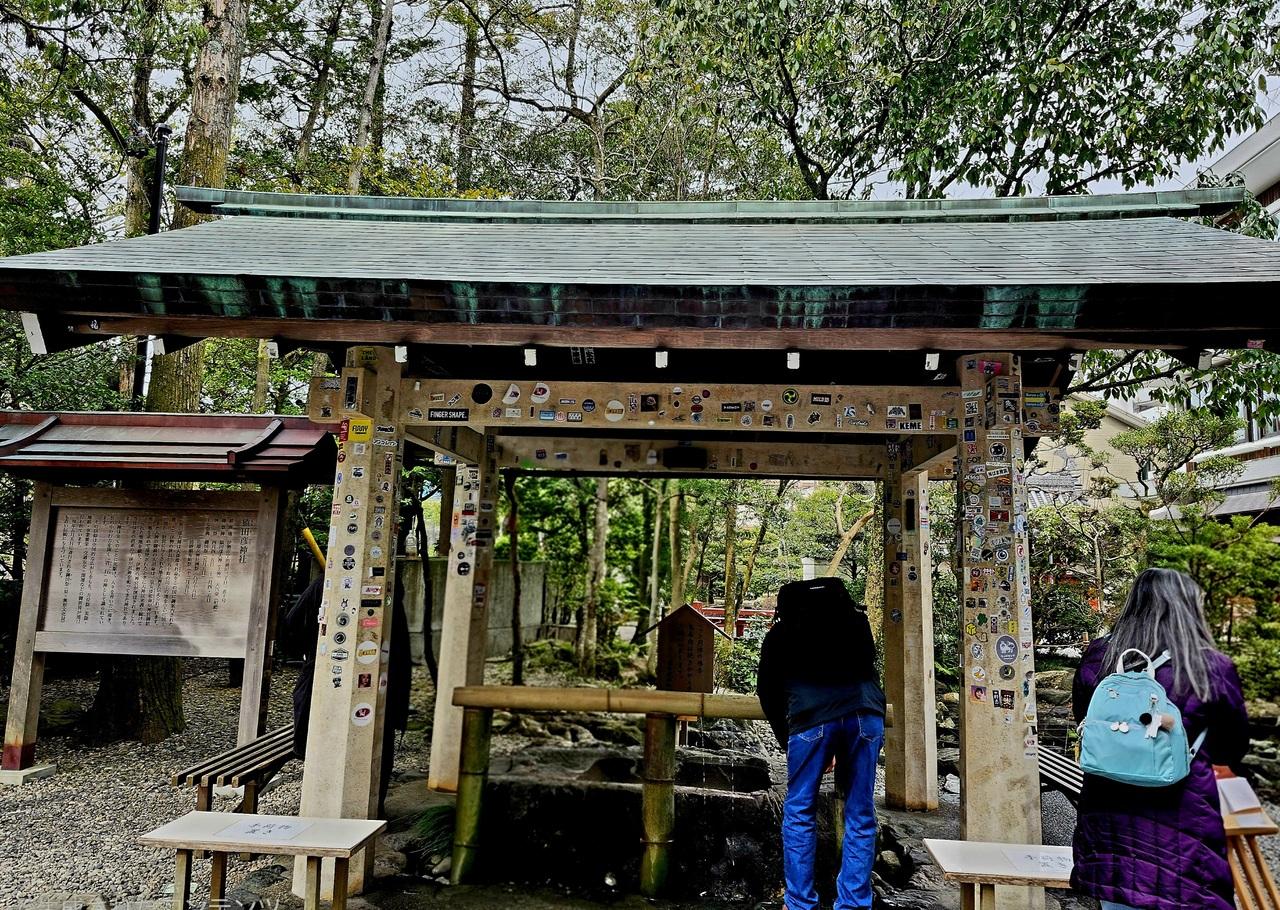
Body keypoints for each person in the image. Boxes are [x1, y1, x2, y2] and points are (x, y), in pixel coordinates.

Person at [1071, 568, 1250, 910]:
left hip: (1109, 822)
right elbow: (1231, 747)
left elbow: (1087, 721)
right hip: (1182, 823)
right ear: (1189, 608)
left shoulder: (1100, 658)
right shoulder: (1208, 666)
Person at [757, 576, 885, 910]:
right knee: (860, 812)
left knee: (800, 809)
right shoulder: (856, 622)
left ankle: (799, 903)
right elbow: (866, 665)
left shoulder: (781, 633)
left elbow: (768, 693)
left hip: (811, 721)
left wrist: (788, 739)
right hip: (865, 715)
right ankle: (854, 903)